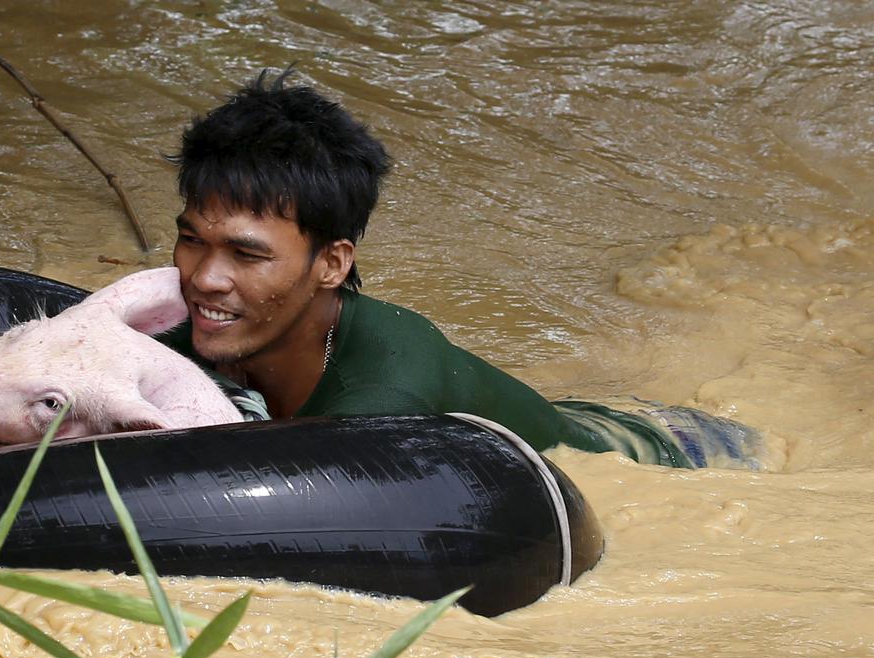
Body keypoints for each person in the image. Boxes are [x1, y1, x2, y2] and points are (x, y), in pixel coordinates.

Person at [157, 68, 765, 470]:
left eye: (247, 253)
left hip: (660, 454)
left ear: (332, 264)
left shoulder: (384, 396)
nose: (205, 278)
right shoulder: (211, 327)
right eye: (191, 240)